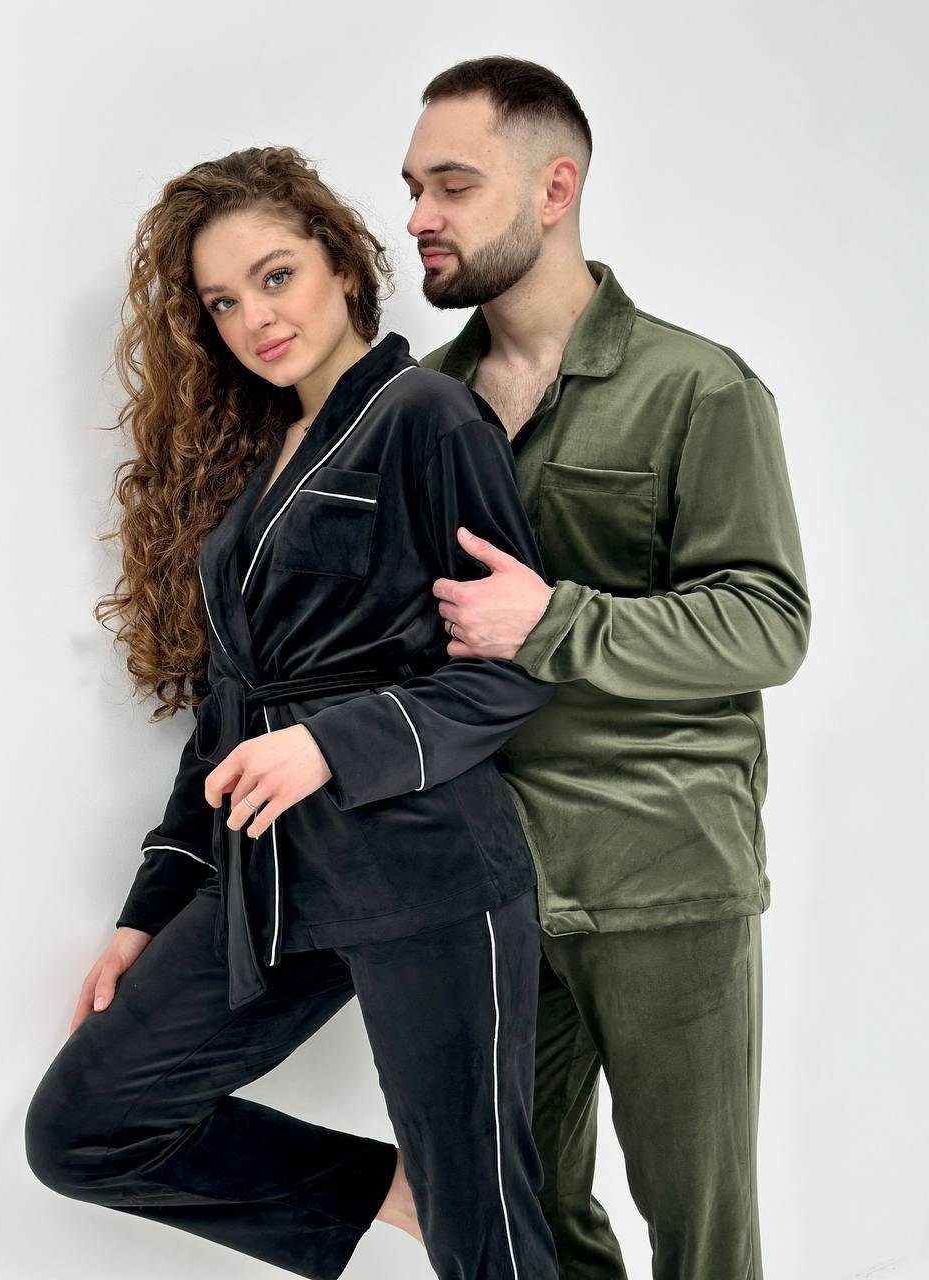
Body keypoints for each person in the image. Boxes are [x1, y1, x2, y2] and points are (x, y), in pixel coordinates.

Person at [24, 144, 561, 1280]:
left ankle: (453, 1195)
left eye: (276, 276)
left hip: (427, 869)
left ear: (342, 264)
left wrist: (330, 743)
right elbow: (229, 711)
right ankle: (393, 1188)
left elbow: (512, 669)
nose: (256, 318)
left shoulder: (430, 419)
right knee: (82, 1127)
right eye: (223, 301)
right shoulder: (261, 465)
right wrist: (149, 910)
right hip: (274, 877)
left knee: (488, 1234)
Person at [402, 56, 812, 1280]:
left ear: (555, 188)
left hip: (663, 876)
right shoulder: (421, 404)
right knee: (525, 1219)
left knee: (702, 1234)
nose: (419, 216)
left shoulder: (698, 387)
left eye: (453, 186)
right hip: (488, 884)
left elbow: (768, 622)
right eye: (413, 187)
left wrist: (554, 620)